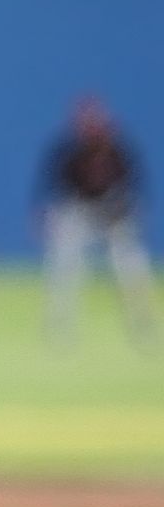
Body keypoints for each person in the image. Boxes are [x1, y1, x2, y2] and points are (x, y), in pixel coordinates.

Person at [37, 95, 155, 346]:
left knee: (131, 268)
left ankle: (142, 327)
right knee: (65, 267)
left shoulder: (118, 149)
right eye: (85, 121)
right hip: (79, 213)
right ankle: (59, 329)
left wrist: (126, 215)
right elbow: (51, 190)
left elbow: (135, 189)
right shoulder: (67, 150)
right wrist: (48, 218)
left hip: (113, 214)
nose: (90, 126)